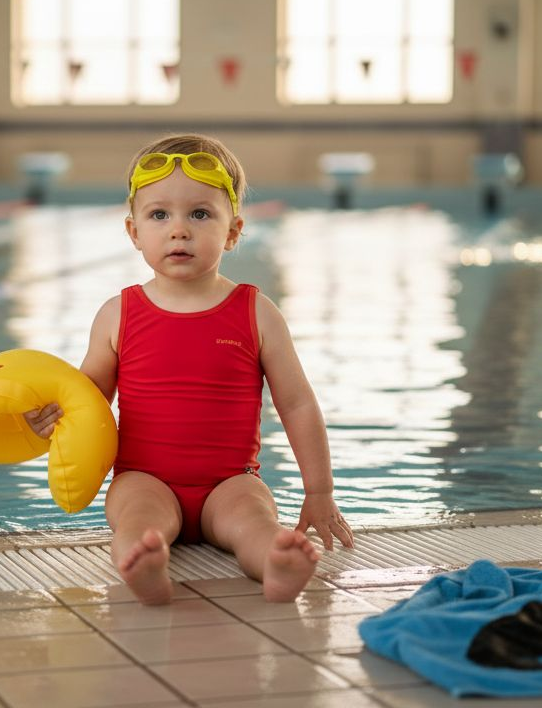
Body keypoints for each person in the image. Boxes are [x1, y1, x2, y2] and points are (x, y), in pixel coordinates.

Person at [24, 133, 354, 605]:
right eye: (159, 215)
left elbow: (297, 403)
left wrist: (319, 491)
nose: (179, 229)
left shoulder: (256, 312)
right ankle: (144, 561)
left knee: (255, 523)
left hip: (231, 480)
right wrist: (46, 422)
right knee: (137, 517)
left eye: (200, 214)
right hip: (144, 477)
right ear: (134, 231)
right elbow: (86, 401)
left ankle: (277, 563)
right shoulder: (118, 314)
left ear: (233, 231)